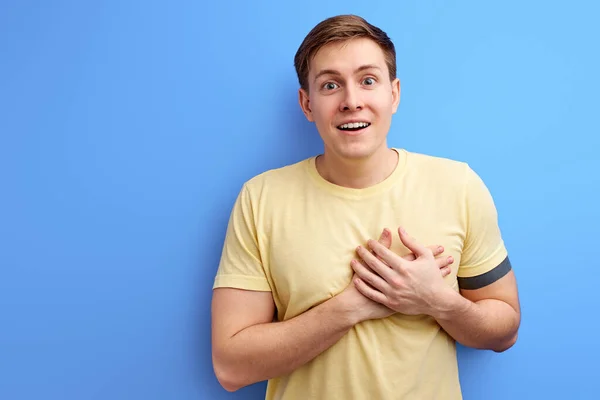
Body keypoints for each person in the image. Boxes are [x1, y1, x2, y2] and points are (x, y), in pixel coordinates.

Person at [211, 14, 520, 400]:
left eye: (368, 80)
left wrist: (436, 300)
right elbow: (230, 367)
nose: (351, 101)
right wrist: (350, 308)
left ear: (394, 94)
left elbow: (505, 331)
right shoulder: (261, 199)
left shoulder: (459, 186)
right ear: (307, 104)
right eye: (330, 85)